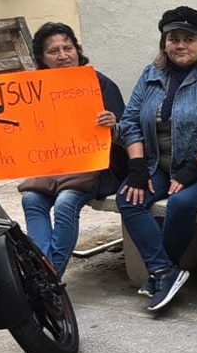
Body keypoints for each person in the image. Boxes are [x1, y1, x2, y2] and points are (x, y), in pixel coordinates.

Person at [116, 6, 197, 312]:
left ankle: (162, 272)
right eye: (173, 39)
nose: (180, 45)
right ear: (164, 43)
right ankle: (164, 271)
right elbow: (130, 121)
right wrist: (136, 166)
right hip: (162, 163)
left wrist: (195, 168)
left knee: (181, 203)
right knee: (129, 198)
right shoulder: (151, 75)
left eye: (189, 39)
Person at [17, 22, 126, 279]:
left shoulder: (99, 84)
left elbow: (127, 132)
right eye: (53, 51)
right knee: (30, 199)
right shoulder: (35, 90)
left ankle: (48, 279)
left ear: (77, 50)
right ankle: (44, 272)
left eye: (68, 48)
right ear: (42, 58)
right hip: (53, 167)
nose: (63, 55)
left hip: (96, 169)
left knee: (66, 202)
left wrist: (112, 125)